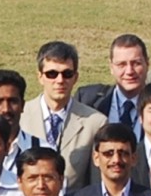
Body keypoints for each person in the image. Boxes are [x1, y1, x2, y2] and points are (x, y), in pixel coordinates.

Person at [21, 40, 107, 172]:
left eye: (67, 74)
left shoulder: (95, 123)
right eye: (52, 74)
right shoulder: (21, 117)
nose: (60, 80)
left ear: (75, 77)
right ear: (40, 77)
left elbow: (96, 180)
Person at [76, 34, 151, 148]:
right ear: (111, 67)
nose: (129, 71)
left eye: (136, 63)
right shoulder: (87, 99)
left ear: (147, 64)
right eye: (121, 64)